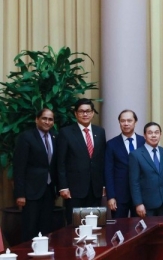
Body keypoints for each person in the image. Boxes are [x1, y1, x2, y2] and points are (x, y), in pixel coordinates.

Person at [57, 98, 107, 224]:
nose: (85, 114)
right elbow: (60, 161)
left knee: (96, 224)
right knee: (75, 225)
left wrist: (104, 184)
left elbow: (102, 160)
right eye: (81, 111)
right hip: (74, 190)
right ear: (76, 114)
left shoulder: (100, 132)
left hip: (95, 188)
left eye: (88, 111)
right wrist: (63, 186)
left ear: (92, 113)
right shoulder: (66, 132)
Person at [13, 108, 58, 241]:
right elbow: (19, 167)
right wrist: (20, 194)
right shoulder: (26, 137)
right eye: (44, 118)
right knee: (30, 228)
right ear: (36, 119)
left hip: (49, 191)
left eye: (50, 119)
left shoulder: (55, 137)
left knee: (46, 228)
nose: (47, 122)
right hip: (31, 192)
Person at [104, 109, 145, 218]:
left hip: (140, 194)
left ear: (135, 122)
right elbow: (108, 171)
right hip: (119, 195)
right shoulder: (111, 144)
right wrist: (111, 196)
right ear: (119, 123)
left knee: (140, 228)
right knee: (118, 228)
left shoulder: (144, 142)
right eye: (123, 121)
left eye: (129, 120)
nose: (126, 123)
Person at [129, 122, 163, 217]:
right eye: (150, 133)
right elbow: (134, 182)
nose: (153, 135)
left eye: (156, 132)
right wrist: (138, 203)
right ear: (144, 135)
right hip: (146, 205)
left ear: (160, 134)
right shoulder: (136, 155)